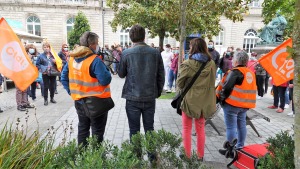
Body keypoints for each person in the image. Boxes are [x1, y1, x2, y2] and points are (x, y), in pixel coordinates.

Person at [118, 25, 164, 160]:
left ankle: (136, 157)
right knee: (149, 128)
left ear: (131, 37)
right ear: (144, 36)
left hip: (132, 97)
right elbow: (161, 75)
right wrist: (157, 92)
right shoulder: (155, 52)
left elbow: (121, 74)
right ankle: (152, 158)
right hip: (149, 96)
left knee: (134, 130)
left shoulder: (126, 53)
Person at [61, 31, 112, 147]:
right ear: (91, 45)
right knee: (97, 133)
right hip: (97, 104)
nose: (97, 46)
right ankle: (95, 159)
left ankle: (82, 158)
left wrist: (72, 92)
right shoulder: (95, 60)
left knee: (83, 129)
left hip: (79, 102)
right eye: (96, 43)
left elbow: (63, 78)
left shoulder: (72, 59)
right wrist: (105, 67)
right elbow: (105, 80)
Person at [177, 38, 216, 161]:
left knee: (186, 129)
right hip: (205, 101)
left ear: (193, 48)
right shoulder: (212, 64)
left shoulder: (187, 64)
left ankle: (187, 155)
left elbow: (180, 83)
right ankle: (200, 156)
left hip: (190, 100)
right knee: (200, 128)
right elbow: (212, 81)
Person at [217, 51, 257, 153]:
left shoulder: (235, 72)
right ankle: (240, 147)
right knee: (241, 126)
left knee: (231, 127)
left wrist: (221, 99)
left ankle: (230, 151)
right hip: (245, 105)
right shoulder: (250, 73)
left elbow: (226, 88)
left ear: (236, 60)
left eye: (234, 59)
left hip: (232, 105)